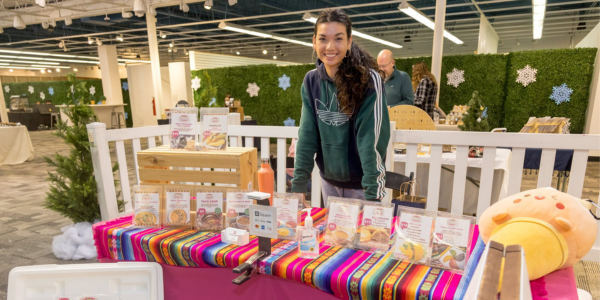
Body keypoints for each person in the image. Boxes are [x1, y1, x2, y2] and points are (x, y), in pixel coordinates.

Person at [291, 8, 390, 204]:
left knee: (363, 235)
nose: (330, 46)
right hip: (329, 184)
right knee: (333, 235)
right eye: (322, 39)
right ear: (313, 42)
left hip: (362, 187)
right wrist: (299, 185)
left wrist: (373, 195)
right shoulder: (311, 81)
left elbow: (371, 141)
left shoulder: (369, 80)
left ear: (349, 42)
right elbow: (307, 135)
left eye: (338, 38)